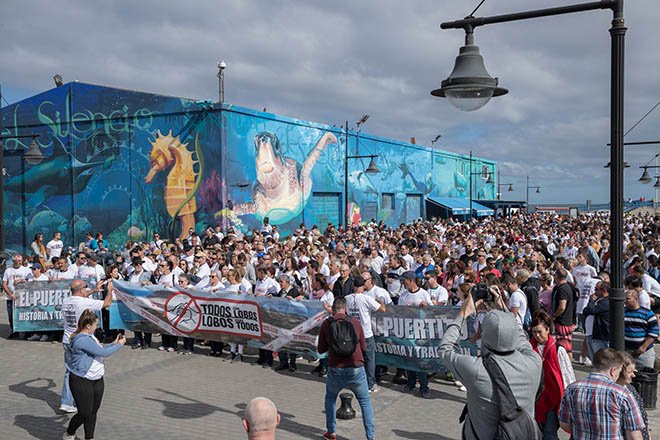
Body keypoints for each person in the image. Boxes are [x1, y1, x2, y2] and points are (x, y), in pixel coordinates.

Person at [438, 292, 542, 440]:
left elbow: (445, 349)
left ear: (484, 334)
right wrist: (504, 309)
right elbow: (519, 335)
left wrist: (462, 314)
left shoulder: (476, 369)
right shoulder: (534, 362)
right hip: (522, 434)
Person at [318, 297, 375, 440]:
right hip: (356, 367)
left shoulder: (327, 323)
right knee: (365, 401)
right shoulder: (355, 322)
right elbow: (363, 347)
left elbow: (320, 349)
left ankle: (331, 432)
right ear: (345, 308)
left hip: (335, 368)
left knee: (330, 398)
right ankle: (370, 437)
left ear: (333, 309)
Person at [64, 309, 125, 440]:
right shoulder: (82, 340)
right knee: (85, 413)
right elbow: (103, 353)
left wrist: (113, 343)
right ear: (88, 325)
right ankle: (69, 433)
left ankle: (89, 437)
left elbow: (99, 348)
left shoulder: (90, 337)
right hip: (82, 380)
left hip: (97, 380)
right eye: (95, 325)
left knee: (93, 412)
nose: (97, 327)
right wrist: (119, 345)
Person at [559, 348, 645, 440]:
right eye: (619, 372)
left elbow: (564, 424)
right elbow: (634, 436)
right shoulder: (623, 394)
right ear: (613, 370)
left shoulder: (572, 389)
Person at [60, 279, 113, 413]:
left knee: (69, 371)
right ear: (82, 290)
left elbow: (80, 296)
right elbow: (107, 303)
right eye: (86, 288)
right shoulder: (84, 302)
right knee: (82, 371)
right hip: (81, 340)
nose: (86, 290)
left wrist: (94, 290)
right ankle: (80, 400)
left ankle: (66, 401)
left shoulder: (66, 301)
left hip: (67, 339)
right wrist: (110, 290)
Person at [529, 310, 574, 440]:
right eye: (534, 332)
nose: (537, 335)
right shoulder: (528, 348)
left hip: (552, 400)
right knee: (536, 433)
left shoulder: (558, 350)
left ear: (548, 329)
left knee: (549, 433)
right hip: (534, 399)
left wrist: (569, 399)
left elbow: (567, 375)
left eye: (539, 332)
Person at [616, 352, 651, 440]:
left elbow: (643, 416)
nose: (634, 375)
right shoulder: (616, 393)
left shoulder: (631, 388)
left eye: (633, 371)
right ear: (619, 372)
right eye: (630, 372)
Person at [624, 289, 659, 369]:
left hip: (644, 352)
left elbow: (654, 332)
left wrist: (643, 347)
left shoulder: (647, 313)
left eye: (628, 299)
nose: (625, 301)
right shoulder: (622, 312)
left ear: (636, 299)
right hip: (627, 351)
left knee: (645, 376)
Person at [3, 254, 32, 339]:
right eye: (16, 261)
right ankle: (14, 331)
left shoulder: (26, 270)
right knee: (11, 315)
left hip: (23, 297)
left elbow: (31, 282)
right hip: (10, 297)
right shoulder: (8, 271)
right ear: (13, 261)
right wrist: (10, 294)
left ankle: (26, 332)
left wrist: (23, 281)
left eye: (20, 261)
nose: (18, 262)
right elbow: (4, 284)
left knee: (24, 314)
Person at [551, 269, 577, 361]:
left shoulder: (562, 289)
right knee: (566, 344)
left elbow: (562, 306)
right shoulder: (567, 287)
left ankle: (568, 364)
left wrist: (554, 315)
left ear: (557, 277)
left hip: (563, 321)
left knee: (565, 346)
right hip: (566, 320)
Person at [582, 280, 610, 359]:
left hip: (600, 335)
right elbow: (585, 310)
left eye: (596, 289)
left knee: (601, 359)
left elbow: (591, 310)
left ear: (604, 290)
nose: (594, 292)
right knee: (594, 358)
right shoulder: (599, 300)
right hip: (592, 334)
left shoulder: (606, 302)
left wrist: (591, 301)